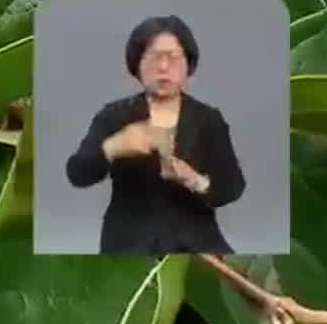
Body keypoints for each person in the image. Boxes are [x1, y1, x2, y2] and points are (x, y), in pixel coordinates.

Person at [65, 14, 246, 254]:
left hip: (197, 246)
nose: (163, 67)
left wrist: (194, 180)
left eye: (173, 57)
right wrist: (114, 146)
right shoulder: (115, 115)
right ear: (137, 64)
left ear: (188, 64)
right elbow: (77, 173)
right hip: (129, 245)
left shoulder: (208, 119)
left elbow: (232, 186)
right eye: (153, 57)